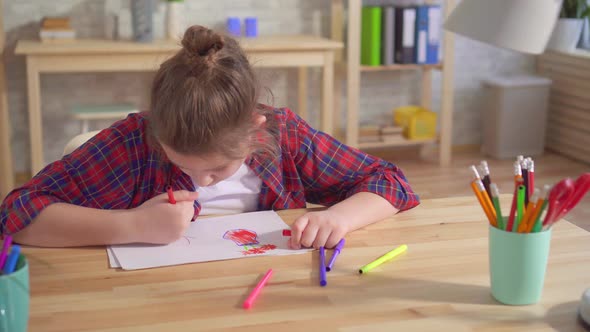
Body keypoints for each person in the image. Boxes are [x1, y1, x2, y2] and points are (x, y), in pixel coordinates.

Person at [0, 25, 419, 249]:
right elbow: (16, 214)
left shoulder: (284, 135)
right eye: (182, 165)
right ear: (156, 131)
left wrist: (338, 218)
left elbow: (390, 182)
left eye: (218, 169)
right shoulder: (131, 143)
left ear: (256, 130)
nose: (201, 184)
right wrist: (131, 225)